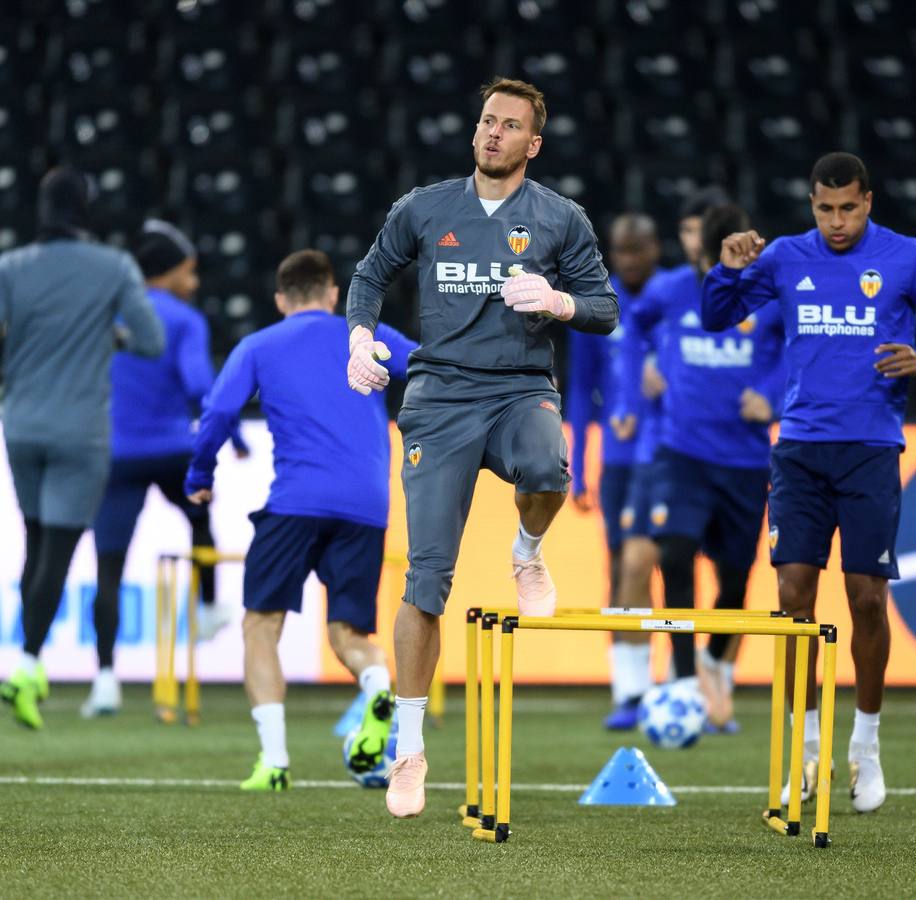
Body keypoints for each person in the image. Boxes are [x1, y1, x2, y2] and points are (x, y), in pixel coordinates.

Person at [345, 77, 618, 818]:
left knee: (548, 468)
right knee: (426, 581)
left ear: (533, 143)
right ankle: (409, 751)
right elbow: (369, 275)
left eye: (510, 125)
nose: (493, 133)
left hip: (521, 387)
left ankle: (527, 553)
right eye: (486, 121)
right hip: (439, 400)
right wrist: (361, 338)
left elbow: (605, 310)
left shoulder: (561, 219)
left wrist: (560, 302)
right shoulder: (427, 207)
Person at [703, 151, 916, 813]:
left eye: (848, 207)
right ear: (811, 204)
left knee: (867, 601)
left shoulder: (906, 257)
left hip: (870, 450)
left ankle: (867, 745)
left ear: (869, 201)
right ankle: (806, 749)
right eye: (825, 209)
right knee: (794, 598)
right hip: (798, 449)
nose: (836, 221)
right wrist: (726, 268)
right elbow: (717, 316)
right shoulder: (787, 256)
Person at [184, 249, 416, 791]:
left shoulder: (260, 345)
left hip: (295, 503)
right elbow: (433, 368)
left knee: (260, 627)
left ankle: (274, 762)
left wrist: (201, 473)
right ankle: (377, 684)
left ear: (280, 299)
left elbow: (217, 412)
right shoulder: (370, 334)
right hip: (366, 505)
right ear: (334, 295)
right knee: (349, 634)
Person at [0, 167, 164, 730]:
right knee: (58, 552)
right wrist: (113, 334)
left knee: (34, 543)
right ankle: (27, 666)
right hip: (80, 432)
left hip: (20, 425)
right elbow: (151, 342)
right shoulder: (114, 267)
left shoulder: (9, 267)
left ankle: (28, 659)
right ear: (87, 209)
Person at [627, 202, 786, 731]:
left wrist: (771, 394)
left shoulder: (766, 291)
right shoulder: (671, 288)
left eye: (705, 233)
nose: (696, 242)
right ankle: (684, 678)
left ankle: (718, 662)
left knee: (736, 576)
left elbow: (800, 348)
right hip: (683, 450)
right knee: (673, 552)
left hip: (744, 456)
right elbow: (633, 326)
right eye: (692, 233)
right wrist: (645, 368)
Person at [83, 219, 248, 718]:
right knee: (200, 517)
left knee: (108, 567)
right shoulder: (183, 319)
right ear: (169, 272)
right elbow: (200, 384)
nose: (194, 282)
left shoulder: (109, 312)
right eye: (189, 271)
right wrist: (235, 436)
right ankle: (210, 607)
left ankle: (106, 679)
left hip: (115, 453)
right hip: (173, 447)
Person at [565, 212, 666, 730]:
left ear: (656, 248)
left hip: (671, 454)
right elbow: (581, 390)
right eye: (620, 251)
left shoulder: (673, 299)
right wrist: (579, 467)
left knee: (671, 565)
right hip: (621, 462)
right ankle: (629, 690)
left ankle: (684, 682)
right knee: (620, 565)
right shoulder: (597, 305)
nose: (629, 260)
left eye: (638, 250)